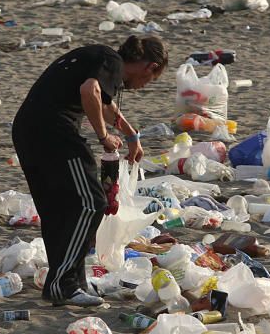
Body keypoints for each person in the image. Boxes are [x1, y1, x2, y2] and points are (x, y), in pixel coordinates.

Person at [12, 35, 168, 306]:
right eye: (149, 81)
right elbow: (90, 91)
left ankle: (71, 282)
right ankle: (63, 283)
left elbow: (103, 102)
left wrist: (131, 135)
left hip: (29, 129)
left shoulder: (99, 59)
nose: (142, 87)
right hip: (54, 133)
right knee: (91, 202)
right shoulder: (111, 60)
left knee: (59, 208)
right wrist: (104, 136)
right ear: (150, 67)